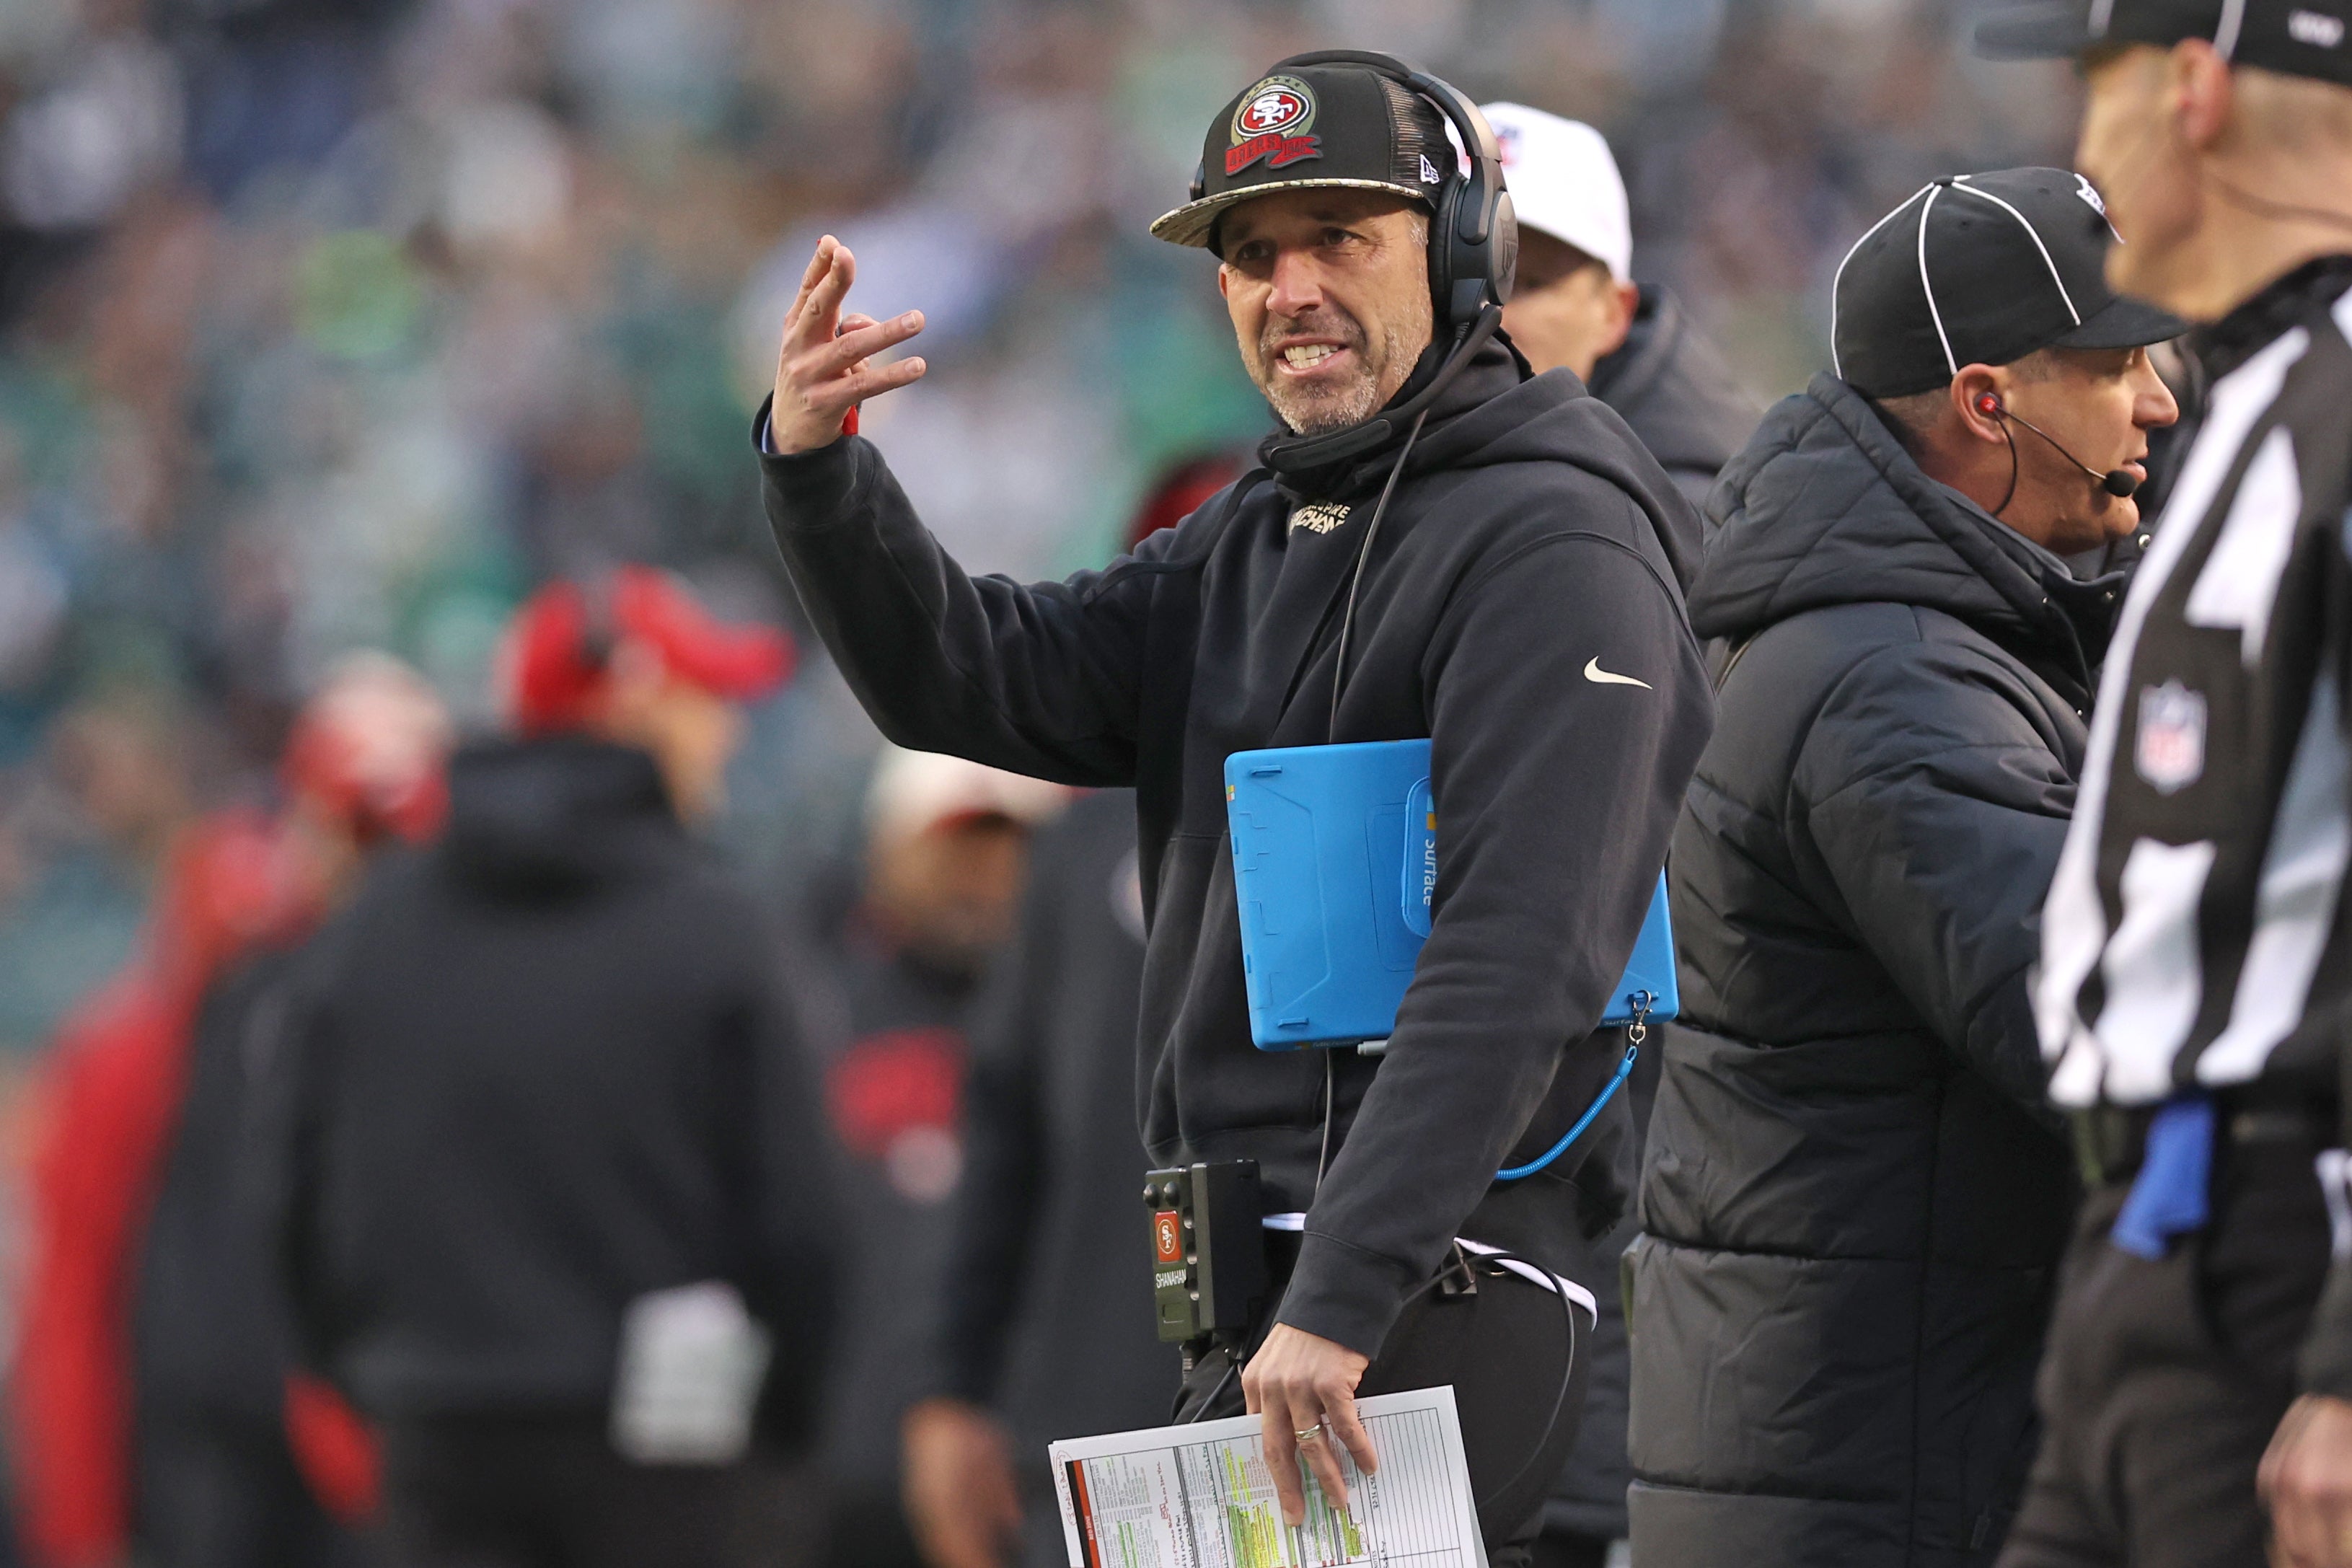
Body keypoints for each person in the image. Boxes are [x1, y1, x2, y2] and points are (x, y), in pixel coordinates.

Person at [757, 49, 1714, 1560]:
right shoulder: (1257, 533)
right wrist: (823, 481)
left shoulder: (1557, 536)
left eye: (1341, 237)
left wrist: (1346, 1288)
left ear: (1463, 250)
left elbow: (1520, 948)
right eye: (1252, 254)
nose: (1290, 288)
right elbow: (978, 682)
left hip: (1429, 1314)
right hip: (1270, 1332)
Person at [1624, 167, 2182, 1567]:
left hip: (1866, 1450)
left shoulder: (1934, 638)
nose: (2158, 404)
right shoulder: (1889, 675)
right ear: (1986, 402)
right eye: (2116, 366)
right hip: (1879, 1485)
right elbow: (2099, 1025)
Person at [1968, 5, 2352, 1565]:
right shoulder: (2260, 393)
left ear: (2193, 90)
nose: (2082, 143)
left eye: (2096, 87)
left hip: (2276, 1266)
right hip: (2148, 1246)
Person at [273, 566, 838, 1568]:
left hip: (437, 1437)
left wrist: (383, 1373)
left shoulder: (369, 934)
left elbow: (289, 1197)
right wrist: (779, 1419)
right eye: (701, 700)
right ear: (628, 708)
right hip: (673, 1463)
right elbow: (802, 1220)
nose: (729, 732)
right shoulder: (714, 930)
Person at [1475, 102, 1756, 1568]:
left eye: (1536, 272)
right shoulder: (1374, 503)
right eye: (1475, 260)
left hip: (1606, 1207)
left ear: (1619, 302)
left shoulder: (1688, 532)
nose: (1495, 307)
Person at [14, 656, 452, 1568]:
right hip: (224, 1472)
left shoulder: (454, 1014)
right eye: (359, 833)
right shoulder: (179, 1026)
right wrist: (82, 1521)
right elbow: (83, 1286)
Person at [898, 460, 1236, 1568]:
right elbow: (1006, 1128)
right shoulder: (1075, 851)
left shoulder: (1395, 824)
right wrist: (955, 1385)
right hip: (1094, 1423)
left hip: (1313, 1401)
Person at [789, 745, 1065, 1568]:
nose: (979, 879)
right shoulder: (812, 997)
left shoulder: (1086, 1023)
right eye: (952, 849)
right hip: (840, 1469)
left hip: (1027, 1455)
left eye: (1004, 851)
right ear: (888, 851)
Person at [1484, 102, 1758, 509]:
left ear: (1614, 314)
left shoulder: (1689, 520)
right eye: (1457, 274)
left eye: (1527, 284)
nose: (1485, 314)